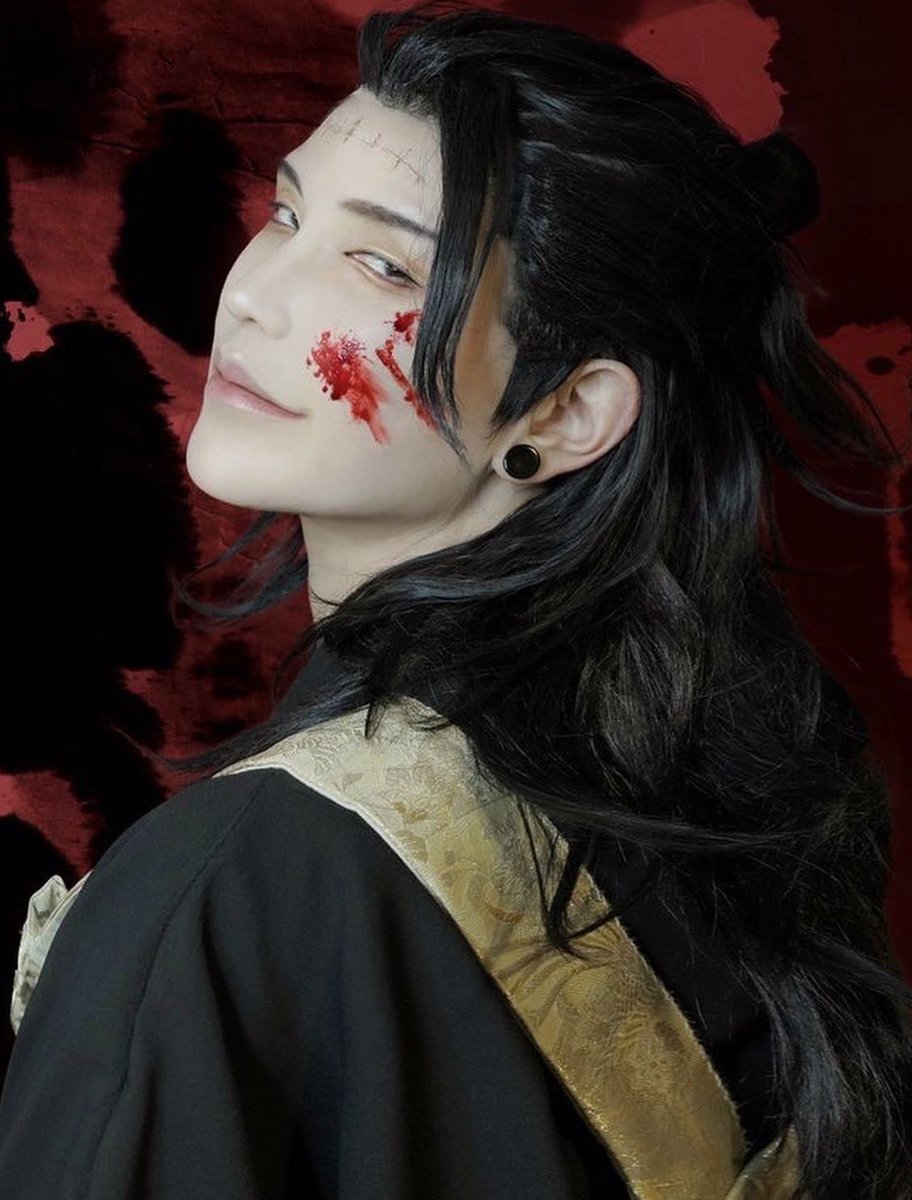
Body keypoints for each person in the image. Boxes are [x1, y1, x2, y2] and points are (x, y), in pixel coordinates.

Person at [2, 3, 911, 1197]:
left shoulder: (230, 884)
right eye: (287, 214)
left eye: (382, 263)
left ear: (568, 413)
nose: (254, 295)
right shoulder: (769, 755)